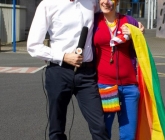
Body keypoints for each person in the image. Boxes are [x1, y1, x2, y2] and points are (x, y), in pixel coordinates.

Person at [27, 0, 144, 140]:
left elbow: (109, 14)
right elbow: (33, 45)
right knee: (57, 126)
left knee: (100, 127)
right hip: (59, 71)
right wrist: (63, 56)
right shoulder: (48, 4)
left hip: (86, 74)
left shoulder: (91, 2)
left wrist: (134, 27)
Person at [93, 0, 140, 139]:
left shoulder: (129, 21)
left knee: (129, 134)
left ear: (117, 1)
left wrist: (136, 34)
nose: (106, 2)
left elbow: (141, 51)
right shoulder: (93, 21)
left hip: (129, 88)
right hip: (105, 86)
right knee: (103, 131)